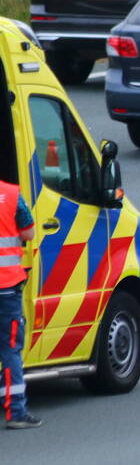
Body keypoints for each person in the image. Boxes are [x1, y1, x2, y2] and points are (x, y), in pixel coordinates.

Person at [0, 179, 40, 429]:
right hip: (6, 287)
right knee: (10, 349)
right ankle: (16, 412)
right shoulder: (12, 195)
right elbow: (29, 233)